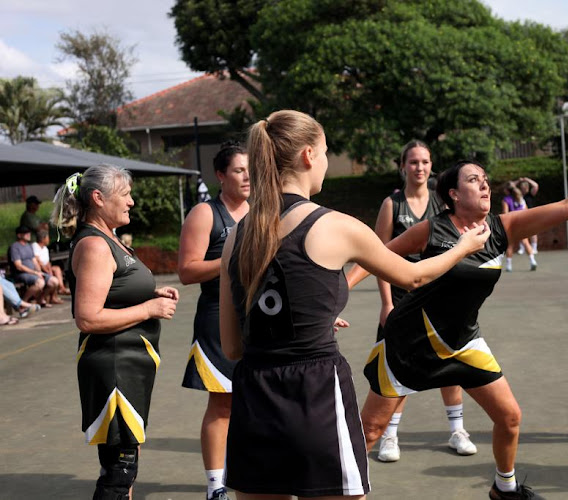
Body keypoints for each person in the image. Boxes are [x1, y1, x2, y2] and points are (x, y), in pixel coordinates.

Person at [346, 152, 568, 500]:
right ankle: (336, 487)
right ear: (453, 194)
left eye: (485, 178)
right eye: (473, 179)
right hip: (410, 341)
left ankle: (505, 488)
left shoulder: (502, 229)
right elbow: (377, 255)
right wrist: (334, 298)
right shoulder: (434, 229)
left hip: (463, 342)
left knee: (510, 417)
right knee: (372, 429)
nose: (484, 184)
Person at [218, 110, 490, 499]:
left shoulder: (236, 236)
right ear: (309, 156)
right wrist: (463, 246)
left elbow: (232, 346)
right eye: (327, 152)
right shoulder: (333, 225)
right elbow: (413, 276)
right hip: (315, 391)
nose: (327, 162)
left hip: (254, 396)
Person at [52, 165, 180, 499]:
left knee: (125, 461)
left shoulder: (110, 239)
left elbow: (116, 292)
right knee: (119, 470)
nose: (132, 202)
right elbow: (88, 318)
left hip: (129, 366)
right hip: (113, 368)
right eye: (125, 195)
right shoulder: (94, 246)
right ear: (98, 197)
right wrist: (148, 309)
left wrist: (152, 294)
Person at [370, 140, 477, 462]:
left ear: (432, 166)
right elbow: (378, 256)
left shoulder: (442, 203)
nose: (419, 167)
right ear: (403, 166)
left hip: (439, 298)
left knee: (450, 364)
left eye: (425, 162)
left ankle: (457, 430)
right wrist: (386, 303)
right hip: (402, 299)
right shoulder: (393, 204)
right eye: (413, 162)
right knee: (396, 369)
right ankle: (390, 436)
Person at [178, 141, 249, 500]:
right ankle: (215, 486)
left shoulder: (262, 210)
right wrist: (232, 260)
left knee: (257, 403)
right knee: (223, 405)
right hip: (217, 319)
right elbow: (187, 271)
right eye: (239, 170)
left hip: (260, 320)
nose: (248, 176)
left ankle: (250, 473)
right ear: (221, 175)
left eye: (251, 169)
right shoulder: (206, 214)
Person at [8, 225, 59, 304]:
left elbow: (34, 261)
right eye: (25, 233)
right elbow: (19, 266)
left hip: (34, 273)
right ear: (19, 235)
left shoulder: (29, 246)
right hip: (21, 274)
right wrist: (35, 272)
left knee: (54, 281)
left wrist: (39, 272)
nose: (29, 235)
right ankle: (23, 302)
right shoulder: (15, 247)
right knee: (40, 283)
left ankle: (40, 299)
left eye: (29, 233)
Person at [500, 182, 537, 272]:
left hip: (512, 224)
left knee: (510, 245)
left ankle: (509, 266)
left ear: (507, 191)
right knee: (525, 242)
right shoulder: (521, 199)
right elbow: (527, 211)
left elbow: (505, 213)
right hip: (522, 223)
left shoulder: (506, 199)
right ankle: (533, 261)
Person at [32, 229, 69, 301]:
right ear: (43, 239)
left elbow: (48, 262)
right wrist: (47, 270)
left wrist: (49, 269)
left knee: (57, 269)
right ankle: (54, 295)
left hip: (45, 266)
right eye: (47, 238)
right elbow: (38, 260)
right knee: (53, 275)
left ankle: (61, 288)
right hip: (38, 268)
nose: (49, 240)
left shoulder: (45, 248)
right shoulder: (35, 246)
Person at [515, 177, 539, 255]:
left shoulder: (530, 194)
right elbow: (511, 187)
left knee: (533, 232)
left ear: (528, 188)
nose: (524, 189)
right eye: (522, 188)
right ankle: (522, 248)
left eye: (525, 188)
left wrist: (527, 179)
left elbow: (536, 186)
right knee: (521, 232)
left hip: (531, 214)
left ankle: (534, 248)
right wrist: (519, 181)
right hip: (521, 214)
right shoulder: (519, 195)